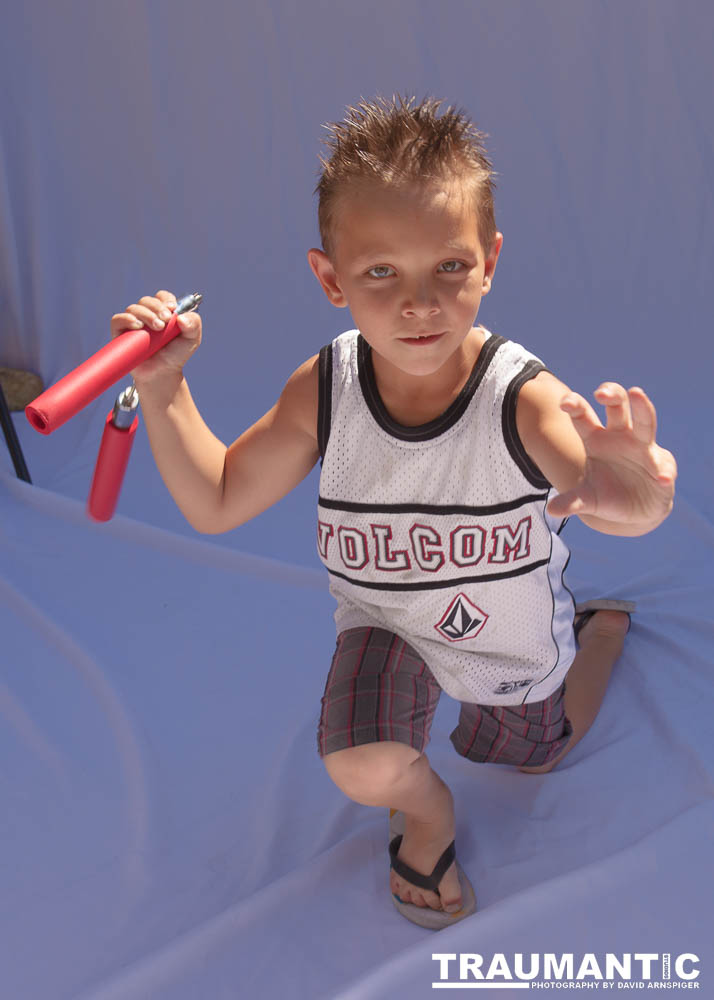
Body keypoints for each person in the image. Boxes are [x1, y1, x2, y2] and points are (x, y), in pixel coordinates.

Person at [109, 94, 677, 930]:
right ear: (330, 279)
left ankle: (595, 636)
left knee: (534, 760)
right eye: (381, 272)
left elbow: (605, 498)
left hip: (506, 638)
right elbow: (219, 499)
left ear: (489, 260)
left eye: (448, 267)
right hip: (390, 624)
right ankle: (428, 816)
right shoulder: (326, 389)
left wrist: (640, 500)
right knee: (365, 762)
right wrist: (163, 392)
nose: (419, 303)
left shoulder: (524, 401)